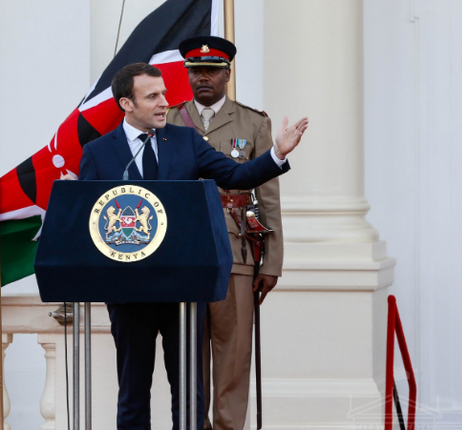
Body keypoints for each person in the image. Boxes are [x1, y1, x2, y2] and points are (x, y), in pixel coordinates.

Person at [78, 62, 307, 430]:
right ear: (126, 104)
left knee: (187, 394)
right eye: (152, 96)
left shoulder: (183, 140)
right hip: (128, 289)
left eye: (164, 94)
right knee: (132, 393)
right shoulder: (99, 153)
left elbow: (234, 175)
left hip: (181, 288)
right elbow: (88, 222)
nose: (163, 103)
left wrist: (277, 154)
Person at [165, 36, 302, 430]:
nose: (203, 78)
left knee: (234, 353)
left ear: (228, 74)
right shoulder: (170, 120)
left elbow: (268, 196)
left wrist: (272, 260)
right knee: (188, 354)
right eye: (195, 72)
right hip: (183, 253)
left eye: (211, 71)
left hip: (236, 251)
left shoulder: (253, 122)